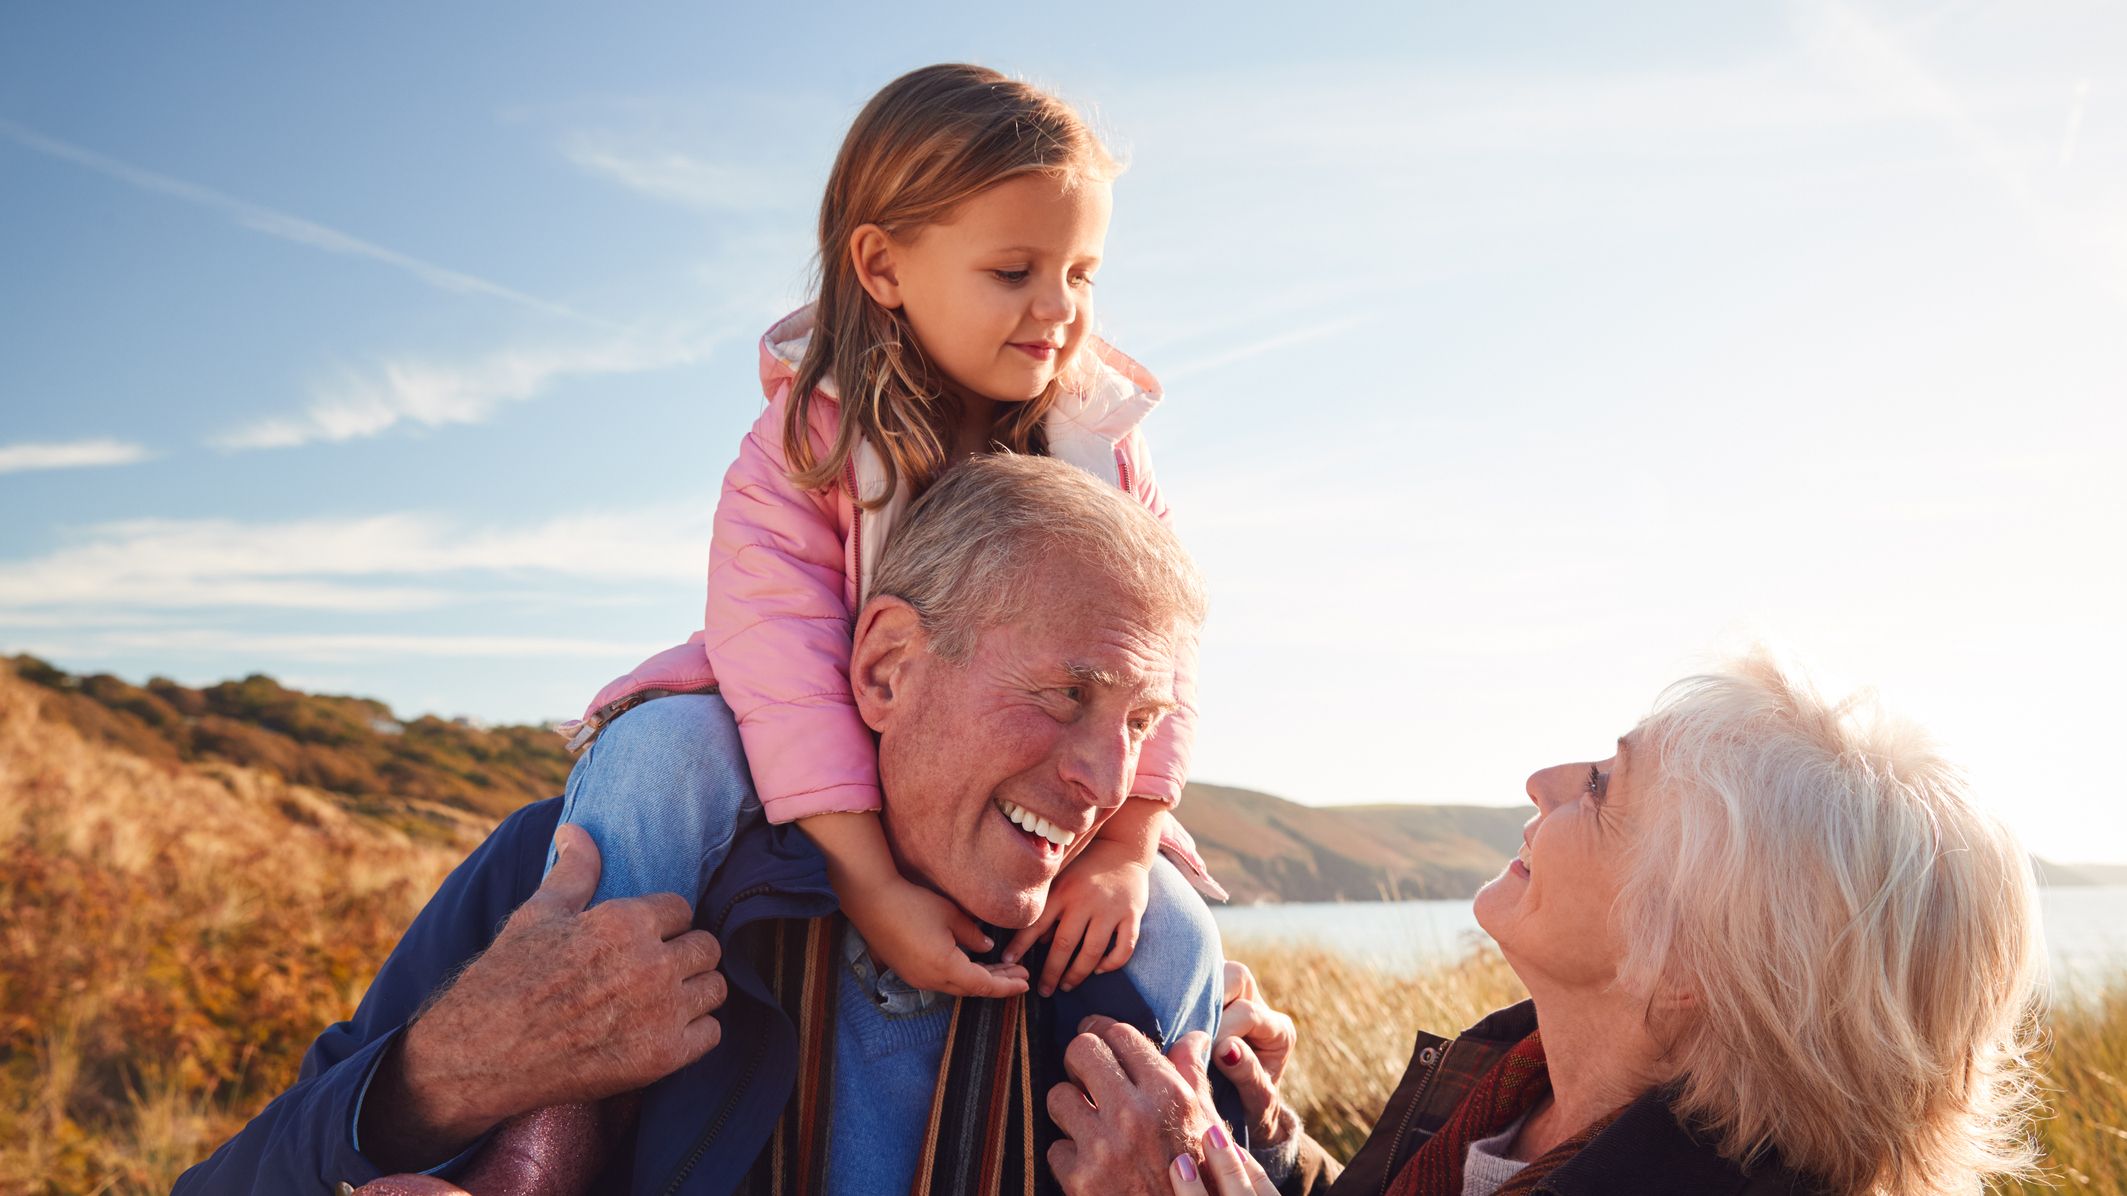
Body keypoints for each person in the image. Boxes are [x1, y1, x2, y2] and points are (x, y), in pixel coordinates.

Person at [174, 455, 1227, 1195]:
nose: (1105, 776)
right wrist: (442, 1074)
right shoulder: (576, 874)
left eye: (1141, 720)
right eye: (1063, 693)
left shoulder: (1144, 968)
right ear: (886, 666)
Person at [557, 60, 1221, 1022]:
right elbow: (779, 654)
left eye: (1080, 275)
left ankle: (1195, 1136)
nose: (1057, 308)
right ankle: (559, 1096)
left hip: (1003, 766)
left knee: (1170, 928)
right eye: (1013, 272)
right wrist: (866, 876)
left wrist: (1126, 846)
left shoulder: (1106, 455)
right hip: (807, 747)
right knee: (666, 751)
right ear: (881, 267)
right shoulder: (803, 446)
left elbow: (1165, 661)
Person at [1047, 654, 2047, 1196]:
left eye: (1606, 787)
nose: (1545, 781)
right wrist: (1256, 1146)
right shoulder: (1511, 1082)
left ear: (1689, 953)